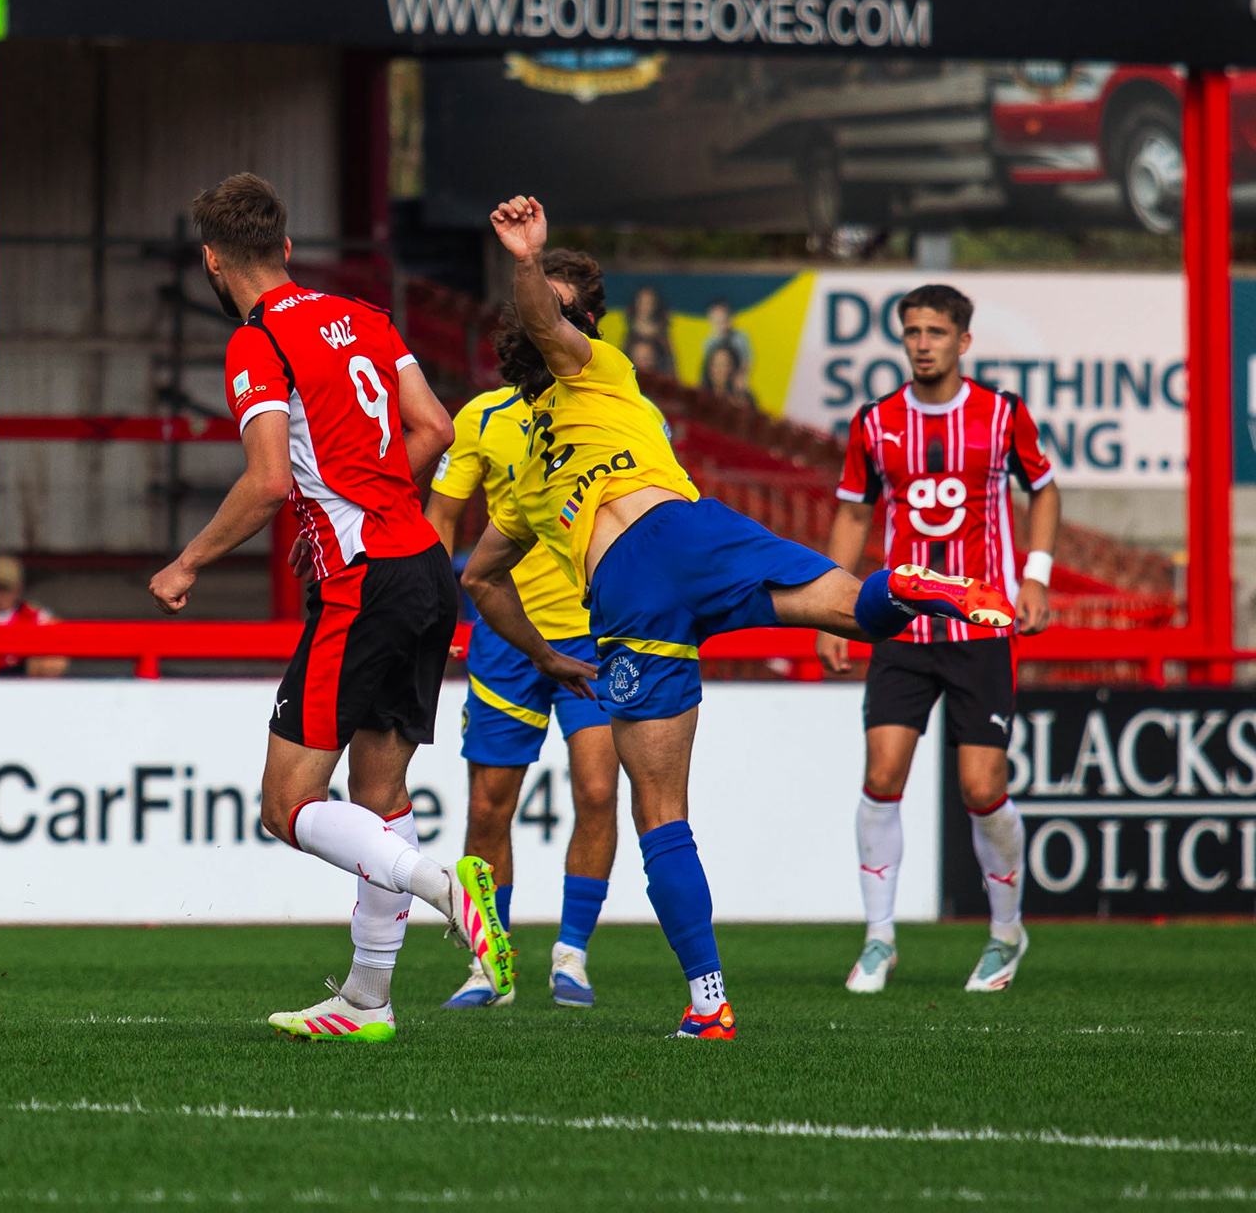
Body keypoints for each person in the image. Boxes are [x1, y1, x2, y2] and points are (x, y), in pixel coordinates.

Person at [460, 196, 1015, 1040]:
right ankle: (916, 581)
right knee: (851, 609)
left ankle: (709, 1001)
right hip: (698, 534)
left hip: (631, 598)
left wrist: (543, 653)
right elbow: (486, 570)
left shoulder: (550, 435)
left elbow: (480, 576)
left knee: (662, 814)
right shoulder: (609, 380)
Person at [147, 172, 511, 1043]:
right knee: (379, 796)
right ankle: (367, 1001)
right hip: (424, 563)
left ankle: (444, 890)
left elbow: (269, 481)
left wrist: (187, 560)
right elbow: (437, 428)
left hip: (363, 582)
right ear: (284, 245)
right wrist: (385, 501)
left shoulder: (256, 341)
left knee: (287, 805)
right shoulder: (367, 318)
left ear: (211, 261)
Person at [818, 284, 1060, 995]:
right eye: (912, 330)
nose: (922, 342)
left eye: (935, 331)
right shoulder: (875, 422)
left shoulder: (1000, 414)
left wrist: (1036, 577)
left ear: (963, 341)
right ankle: (878, 939)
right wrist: (834, 606)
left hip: (981, 627)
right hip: (901, 623)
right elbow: (855, 516)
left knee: (982, 787)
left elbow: (1042, 488)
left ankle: (1006, 933)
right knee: (882, 776)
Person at [425, 250, 621, 1010]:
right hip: (505, 639)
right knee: (485, 808)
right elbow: (442, 518)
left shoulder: (615, 407)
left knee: (598, 791)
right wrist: (437, 610)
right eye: (540, 309)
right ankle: (489, 965)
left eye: (564, 312)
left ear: (588, 323)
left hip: (596, 637)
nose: (550, 325)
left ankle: (571, 955)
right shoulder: (483, 418)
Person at [0, 555, 68, 677]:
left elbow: (59, 652)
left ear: (18, 589)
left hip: (22, 680)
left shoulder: (34, 615)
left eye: (4, 588)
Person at [700, 297, 753, 405]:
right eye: (717, 320)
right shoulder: (709, 342)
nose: (721, 324)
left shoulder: (740, 337)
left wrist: (738, 379)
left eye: (723, 319)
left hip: (734, 385)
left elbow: (745, 362)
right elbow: (706, 369)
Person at [624, 284, 675, 378]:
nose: (646, 307)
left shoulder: (662, 336)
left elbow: (670, 366)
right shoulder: (628, 335)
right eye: (642, 302)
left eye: (650, 303)